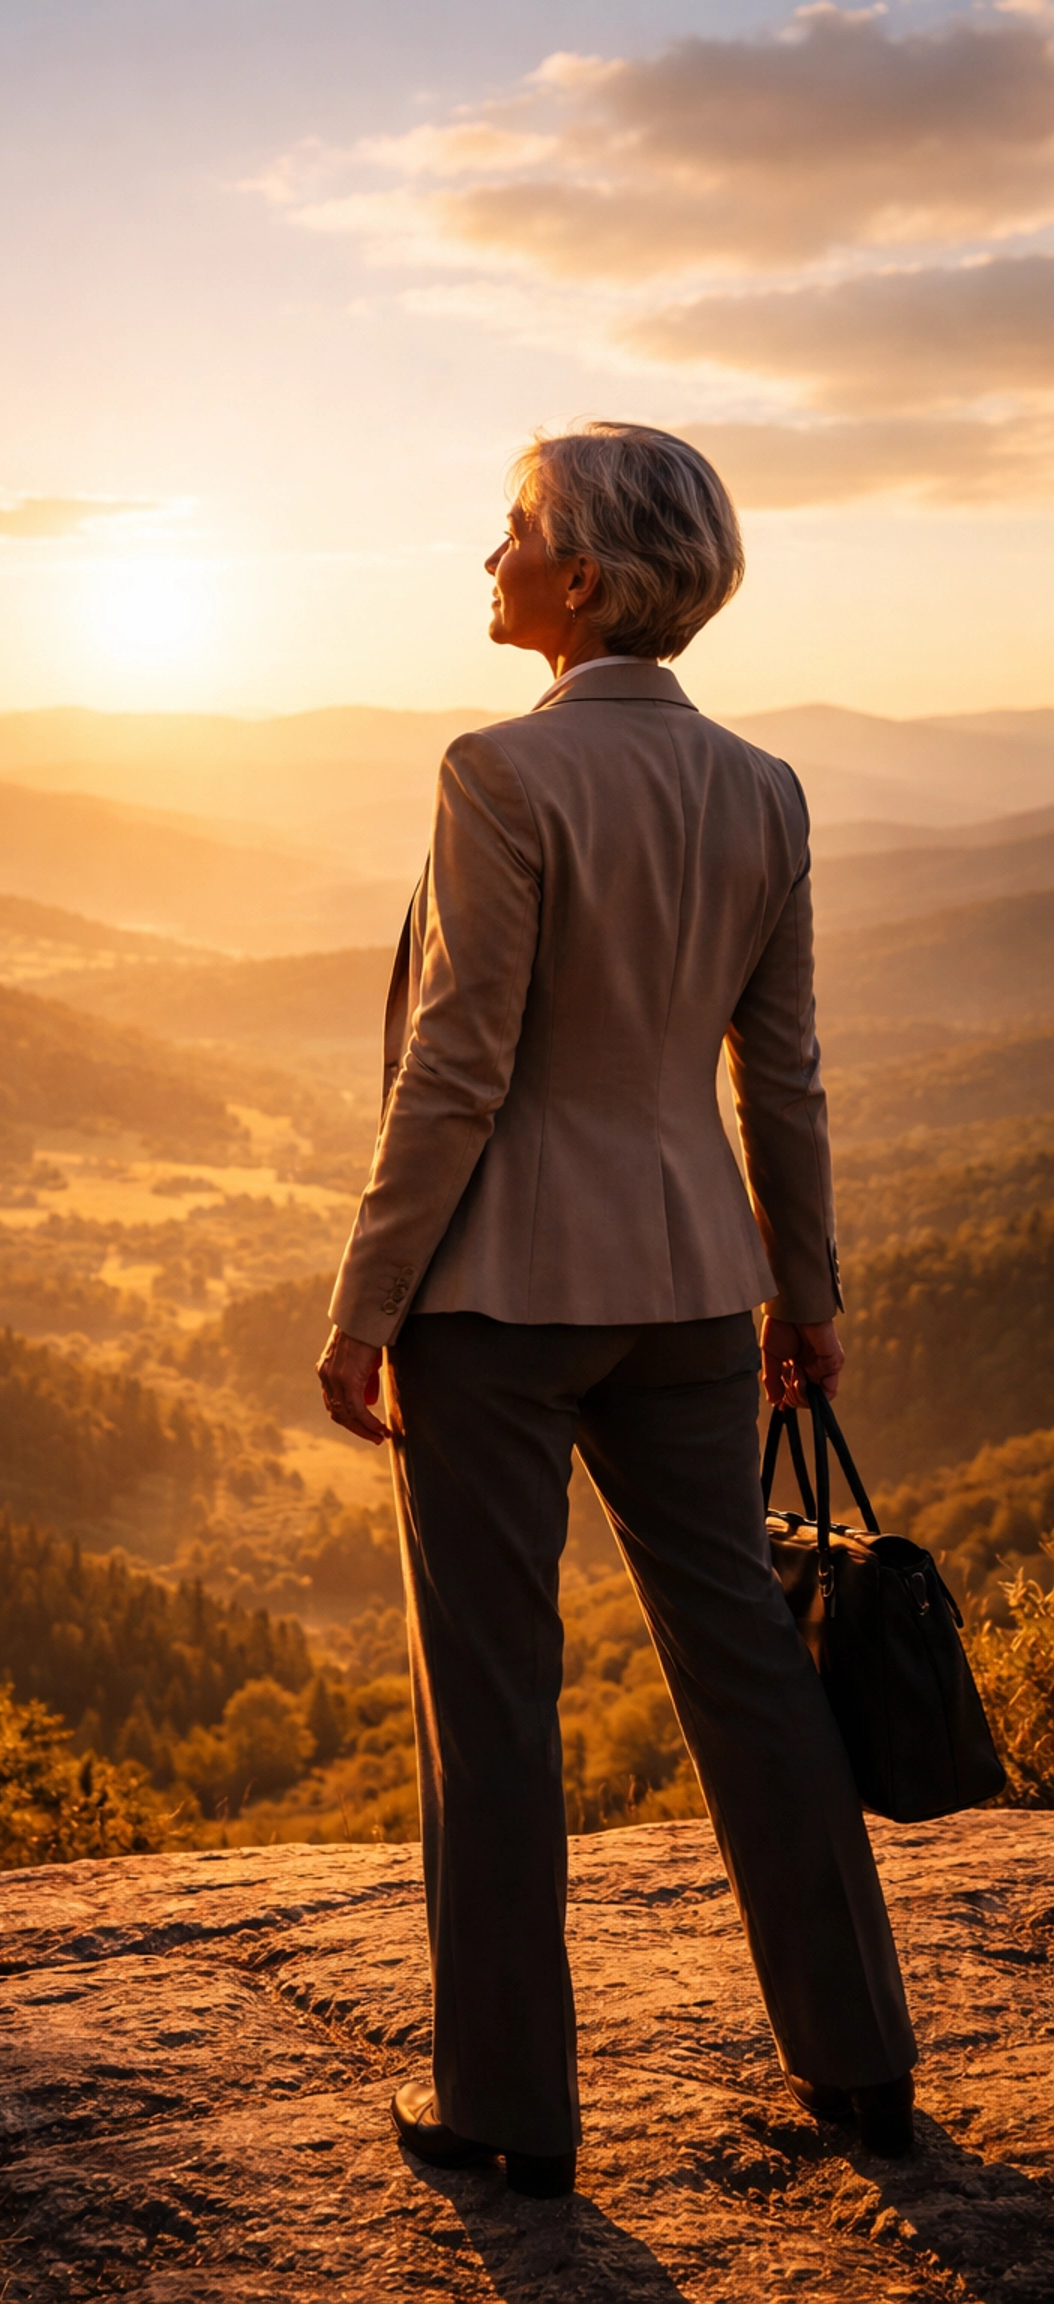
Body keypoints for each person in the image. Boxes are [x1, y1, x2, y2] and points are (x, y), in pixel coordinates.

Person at [315, 421, 916, 2200]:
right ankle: (863, 2061)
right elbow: (780, 1077)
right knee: (751, 1665)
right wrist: (804, 1292)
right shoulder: (766, 789)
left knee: (494, 1695)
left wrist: (366, 1302)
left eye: (511, 532)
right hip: (694, 1293)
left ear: (579, 578)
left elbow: (458, 1066)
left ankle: (508, 2104)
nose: (488, 559)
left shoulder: (498, 771)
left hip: (496, 1297)